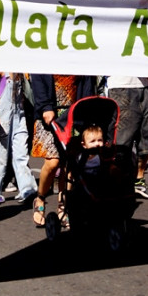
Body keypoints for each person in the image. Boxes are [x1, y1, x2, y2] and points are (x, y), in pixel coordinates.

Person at [29, 74, 97, 229]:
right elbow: (37, 76)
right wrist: (45, 106)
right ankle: (40, 198)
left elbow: (87, 82)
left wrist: (86, 109)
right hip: (49, 113)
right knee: (53, 162)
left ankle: (63, 204)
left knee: (70, 162)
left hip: (72, 112)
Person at [0, 72, 37, 203]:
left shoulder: (21, 70)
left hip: (19, 114)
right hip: (2, 115)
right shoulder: (0, 69)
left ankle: (27, 189)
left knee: (21, 153)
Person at [107, 76, 148, 199]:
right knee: (123, 142)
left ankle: (138, 180)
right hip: (121, 86)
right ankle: (119, 184)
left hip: (144, 85)